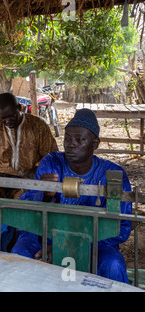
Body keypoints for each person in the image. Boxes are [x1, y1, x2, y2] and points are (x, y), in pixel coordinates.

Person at [11, 109, 133, 283]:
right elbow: (29, 209)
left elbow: (121, 227)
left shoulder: (113, 174)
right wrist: (44, 195)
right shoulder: (51, 162)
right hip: (43, 237)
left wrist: (69, 247)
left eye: (79, 139)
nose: (71, 144)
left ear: (95, 143)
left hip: (96, 244)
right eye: (67, 138)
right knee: (20, 255)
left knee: (112, 264)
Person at [0, 92, 58, 200]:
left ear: (19, 108)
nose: (8, 121)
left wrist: (35, 170)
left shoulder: (38, 126)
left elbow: (52, 156)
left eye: (11, 116)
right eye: (3, 118)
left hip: (27, 183)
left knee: (22, 202)